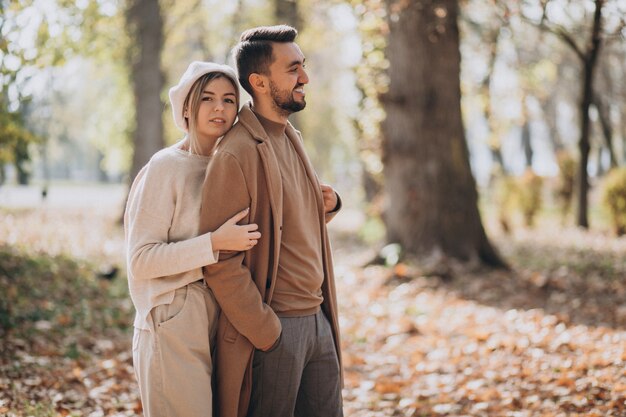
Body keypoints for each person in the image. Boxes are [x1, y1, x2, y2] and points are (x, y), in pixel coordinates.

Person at [198, 25, 343, 417]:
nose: (305, 78)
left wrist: (327, 205)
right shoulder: (236, 153)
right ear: (259, 81)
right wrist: (267, 332)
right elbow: (219, 259)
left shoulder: (290, 135)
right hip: (279, 328)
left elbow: (283, 223)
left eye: (304, 66)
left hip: (319, 320)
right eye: (293, 69)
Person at [124, 61, 261, 417]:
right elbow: (141, 261)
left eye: (229, 100)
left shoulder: (233, 165)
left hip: (224, 311)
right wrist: (213, 244)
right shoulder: (166, 166)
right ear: (187, 107)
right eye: (208, 99)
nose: (219, 108)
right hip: (174, 310)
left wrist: (328, 205)